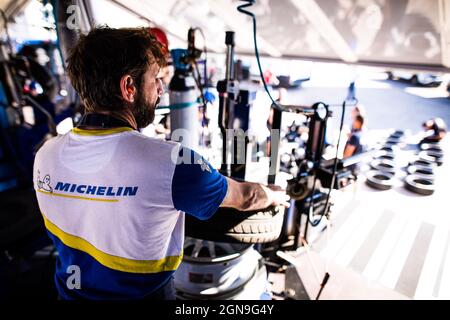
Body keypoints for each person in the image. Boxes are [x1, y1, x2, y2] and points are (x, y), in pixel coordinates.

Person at [33, 27, 289, 300]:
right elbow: (246, 198)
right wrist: (275, 194)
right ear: (129, 87)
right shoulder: (173, 164)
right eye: (155, 78)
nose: (160, 87)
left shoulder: (45, 155)